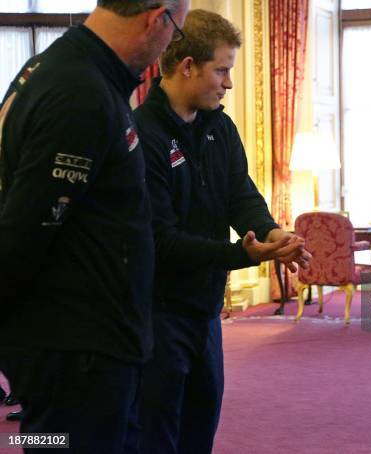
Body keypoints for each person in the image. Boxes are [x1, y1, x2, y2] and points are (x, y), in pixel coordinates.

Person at [0, 0, 189, 452]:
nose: (169, 44)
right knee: (58, 445)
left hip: (79, 349)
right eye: (175, 32)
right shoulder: (79, 91)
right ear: (155, 18)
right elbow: (24, 232)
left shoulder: (57, 68)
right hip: (76, 356)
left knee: (47, 442)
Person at [133, 9, 311, 454]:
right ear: (188, 66)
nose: (228, 83)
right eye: (222, 69)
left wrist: (273, 237)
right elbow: (160, 240)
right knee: (158, 437)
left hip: (205, 311)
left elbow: (241, 199)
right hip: (156, 315)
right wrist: (243, 256)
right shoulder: (141, 134)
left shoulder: (220, 126)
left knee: (200, 430)